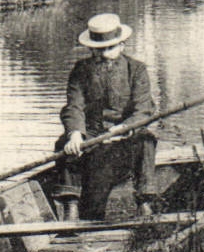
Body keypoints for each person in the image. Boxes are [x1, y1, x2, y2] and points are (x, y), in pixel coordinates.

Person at [52, 13, 163, 222]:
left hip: (125, 137)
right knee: (63, 143)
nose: (102, 55)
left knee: (146, 139)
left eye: (108, 49)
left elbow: (144, 110)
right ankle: (71, 206)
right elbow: (73, 106)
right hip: (92, 136)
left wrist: (122, 128)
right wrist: (76, 134)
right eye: (97, 50)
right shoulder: (80, 70)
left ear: (122, 45)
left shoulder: (136, 70)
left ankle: (144, 202)